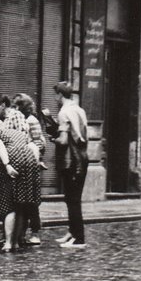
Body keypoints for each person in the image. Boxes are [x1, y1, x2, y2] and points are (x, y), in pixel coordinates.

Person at [0, 115, 41, 253]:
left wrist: (7, 164)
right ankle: (16, 242)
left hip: (13, 159)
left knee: (9, 205)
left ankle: (8, 243)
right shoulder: (19, 133)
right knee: (21, 204)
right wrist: (36, 163)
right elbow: (33, 146)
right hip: (29, 160)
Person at [52, 81, 89, 248]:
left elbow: (63, 140)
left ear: (60, 95)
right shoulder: (79, 109)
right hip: (82, 157)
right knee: (74, 198)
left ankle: (78, 238)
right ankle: (72, 233)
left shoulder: (64, 112)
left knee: (72, 200)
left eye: (55, 95)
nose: (55, 98)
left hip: (71, 161)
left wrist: (53, 137)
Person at [13, 93, 46, 245]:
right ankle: (20, 232)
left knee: (31, 201)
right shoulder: (16, 119)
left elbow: (39, 142)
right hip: (20, 163)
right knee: (21, 200)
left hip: (30, 163)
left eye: (17, 105)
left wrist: (30, 155)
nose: (14, 108)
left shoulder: (32, 120)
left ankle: (35, 231)